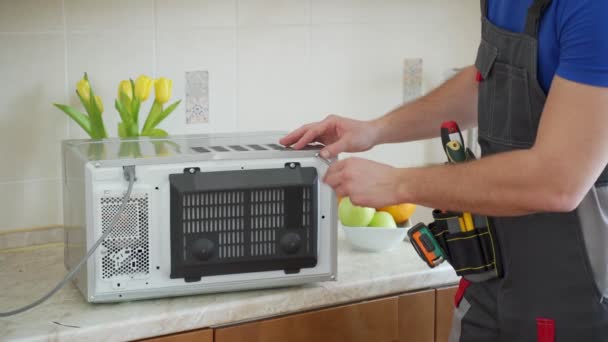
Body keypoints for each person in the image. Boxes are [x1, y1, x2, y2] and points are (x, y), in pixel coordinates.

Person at [280, 0, 608, 341]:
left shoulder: (594, 9)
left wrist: (399, 183)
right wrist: (375, 130)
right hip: (491, 282)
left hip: (579, 303)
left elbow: (557, 180)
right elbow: (487, 78)